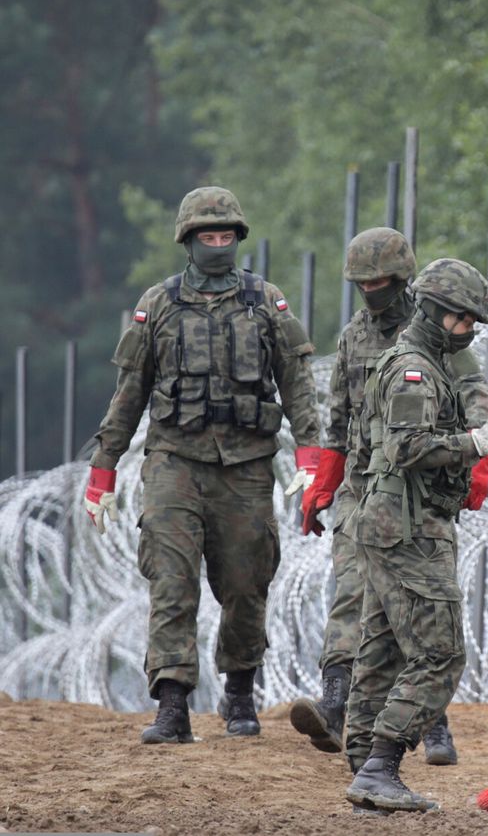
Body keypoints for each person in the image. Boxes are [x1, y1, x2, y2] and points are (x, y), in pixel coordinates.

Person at [83, 186, 323, 743]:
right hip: (174, 462)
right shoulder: (159, 305)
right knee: (171, 580)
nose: (217, 245)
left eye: (224, 236)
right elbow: (129, 394)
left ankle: (240, 692)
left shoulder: (266, 302)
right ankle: (172, 703)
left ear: (237, 239)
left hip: (246, 466)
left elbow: (298, 385)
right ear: (187, 241)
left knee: (245, 583)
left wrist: (313, 456)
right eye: (206, 237)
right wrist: (103, 470)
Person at [289, 228, 488, 768]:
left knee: (410, 612)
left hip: (418, 487)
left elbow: (477, 402)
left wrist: (477, 462)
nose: (371, 291)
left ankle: (430, 729)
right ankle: (337, 708)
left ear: (404, 280)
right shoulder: (355, 338)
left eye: (380, 282)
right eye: (362, 284)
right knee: (356, 595)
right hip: (365, 484)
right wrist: (323, 483)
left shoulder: (440, 330)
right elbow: (339, 418)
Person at [342, 258, 488, 812]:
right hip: (409, 527)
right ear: (440, 314)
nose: (469, 331)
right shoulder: (413, 369)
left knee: (384, 646)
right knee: (441, 653)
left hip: (394, 523)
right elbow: (405, 447)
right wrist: (474, 444)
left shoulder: (424, 362)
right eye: (465, 321)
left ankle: (364, 764)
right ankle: (379, 766)